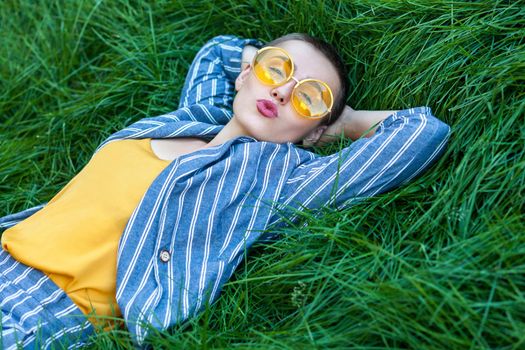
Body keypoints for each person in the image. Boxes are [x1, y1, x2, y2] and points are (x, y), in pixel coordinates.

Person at [0, 34, 450, 349]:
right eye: (279, 68)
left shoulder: (274, 180)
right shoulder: (190, 119)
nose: (283, 91)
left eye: (309, 97)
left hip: (48, 310)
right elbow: (220, 50)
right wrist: (255, 60)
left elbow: (420, 134)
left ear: (314, 131)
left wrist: (344, 123)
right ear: (246, 76)